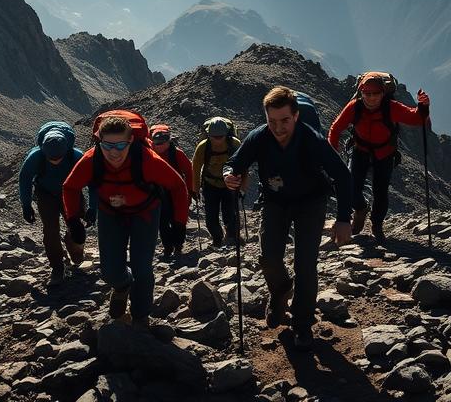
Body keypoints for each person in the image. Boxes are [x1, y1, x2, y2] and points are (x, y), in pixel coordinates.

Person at [224, 86, 353, 350]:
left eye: (284, 120)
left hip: (311, 202)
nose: (278, 127)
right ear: (266, 117)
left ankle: (302, 325)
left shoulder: (312, 139)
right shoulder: (258, 137)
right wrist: (229, 175)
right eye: (272, 121)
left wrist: (343, 219)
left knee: (305, 264)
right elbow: (235, 163)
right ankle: (281, 290)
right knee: (268, 258)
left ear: (296, 116)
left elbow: (342, 175)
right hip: (275, 200)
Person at [62, 112, 189, 330]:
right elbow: (70, 187)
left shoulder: (147, 159)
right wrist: (73, 220)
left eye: (120, 146)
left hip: (145, 214)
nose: (113, 152)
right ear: (99, 141)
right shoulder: (93, 159)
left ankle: (141, 317)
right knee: (109, 271)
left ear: (131, 140)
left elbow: (178, 186)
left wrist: (179, 224)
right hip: (111, 214)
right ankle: (122, 286)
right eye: (107, 145)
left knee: (142, 268)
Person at [327, 72, 430, 241]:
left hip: (384, 152)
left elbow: (417, 118)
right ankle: (361, 208)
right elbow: (335, 128)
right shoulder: (354, 107)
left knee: (380, 191)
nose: (372, 98)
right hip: (361, 149)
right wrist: (332, 153)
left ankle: (376, 225)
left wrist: (423, 106)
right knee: (350, 186)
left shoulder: (391, 107)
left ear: (383, 93)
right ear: (361, 93)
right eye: (367, 94)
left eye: (376, 94)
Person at [19, 121, 97, 285]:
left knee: (76, 225)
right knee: (50, 231)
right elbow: (24, 179)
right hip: (46, 194)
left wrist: (93, 206)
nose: (55, 162)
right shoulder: (35, 157)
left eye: (58, 158)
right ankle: (57, 267)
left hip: (72, 192)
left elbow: (92, 181)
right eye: (51, 159)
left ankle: (74, 247)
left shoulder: (76, 156)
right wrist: (26, 205)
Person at [192, 117, 242, 246]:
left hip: (229, 185)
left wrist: (242, 187)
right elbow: (196, 168)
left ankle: (231, 237)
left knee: (230, 214)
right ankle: (218, 239)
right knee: (211, 218)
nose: (217, 139)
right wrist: (195, 189)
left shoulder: (235, 144)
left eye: (220, 136)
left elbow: (244, 166)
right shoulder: (203, 147)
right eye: (214, 137)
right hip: (210, 185)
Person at [149, 123, 195, 260]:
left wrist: (191, 190)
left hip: (177, 191)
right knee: (162, 221)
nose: (159, 146)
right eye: (157, 143)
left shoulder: (177, 154)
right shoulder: (150, 153)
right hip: (158, 192)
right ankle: (168, 247)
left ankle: (178, 245)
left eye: (162, 143)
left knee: (179, 220)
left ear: (169, 141)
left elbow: (189, 171)